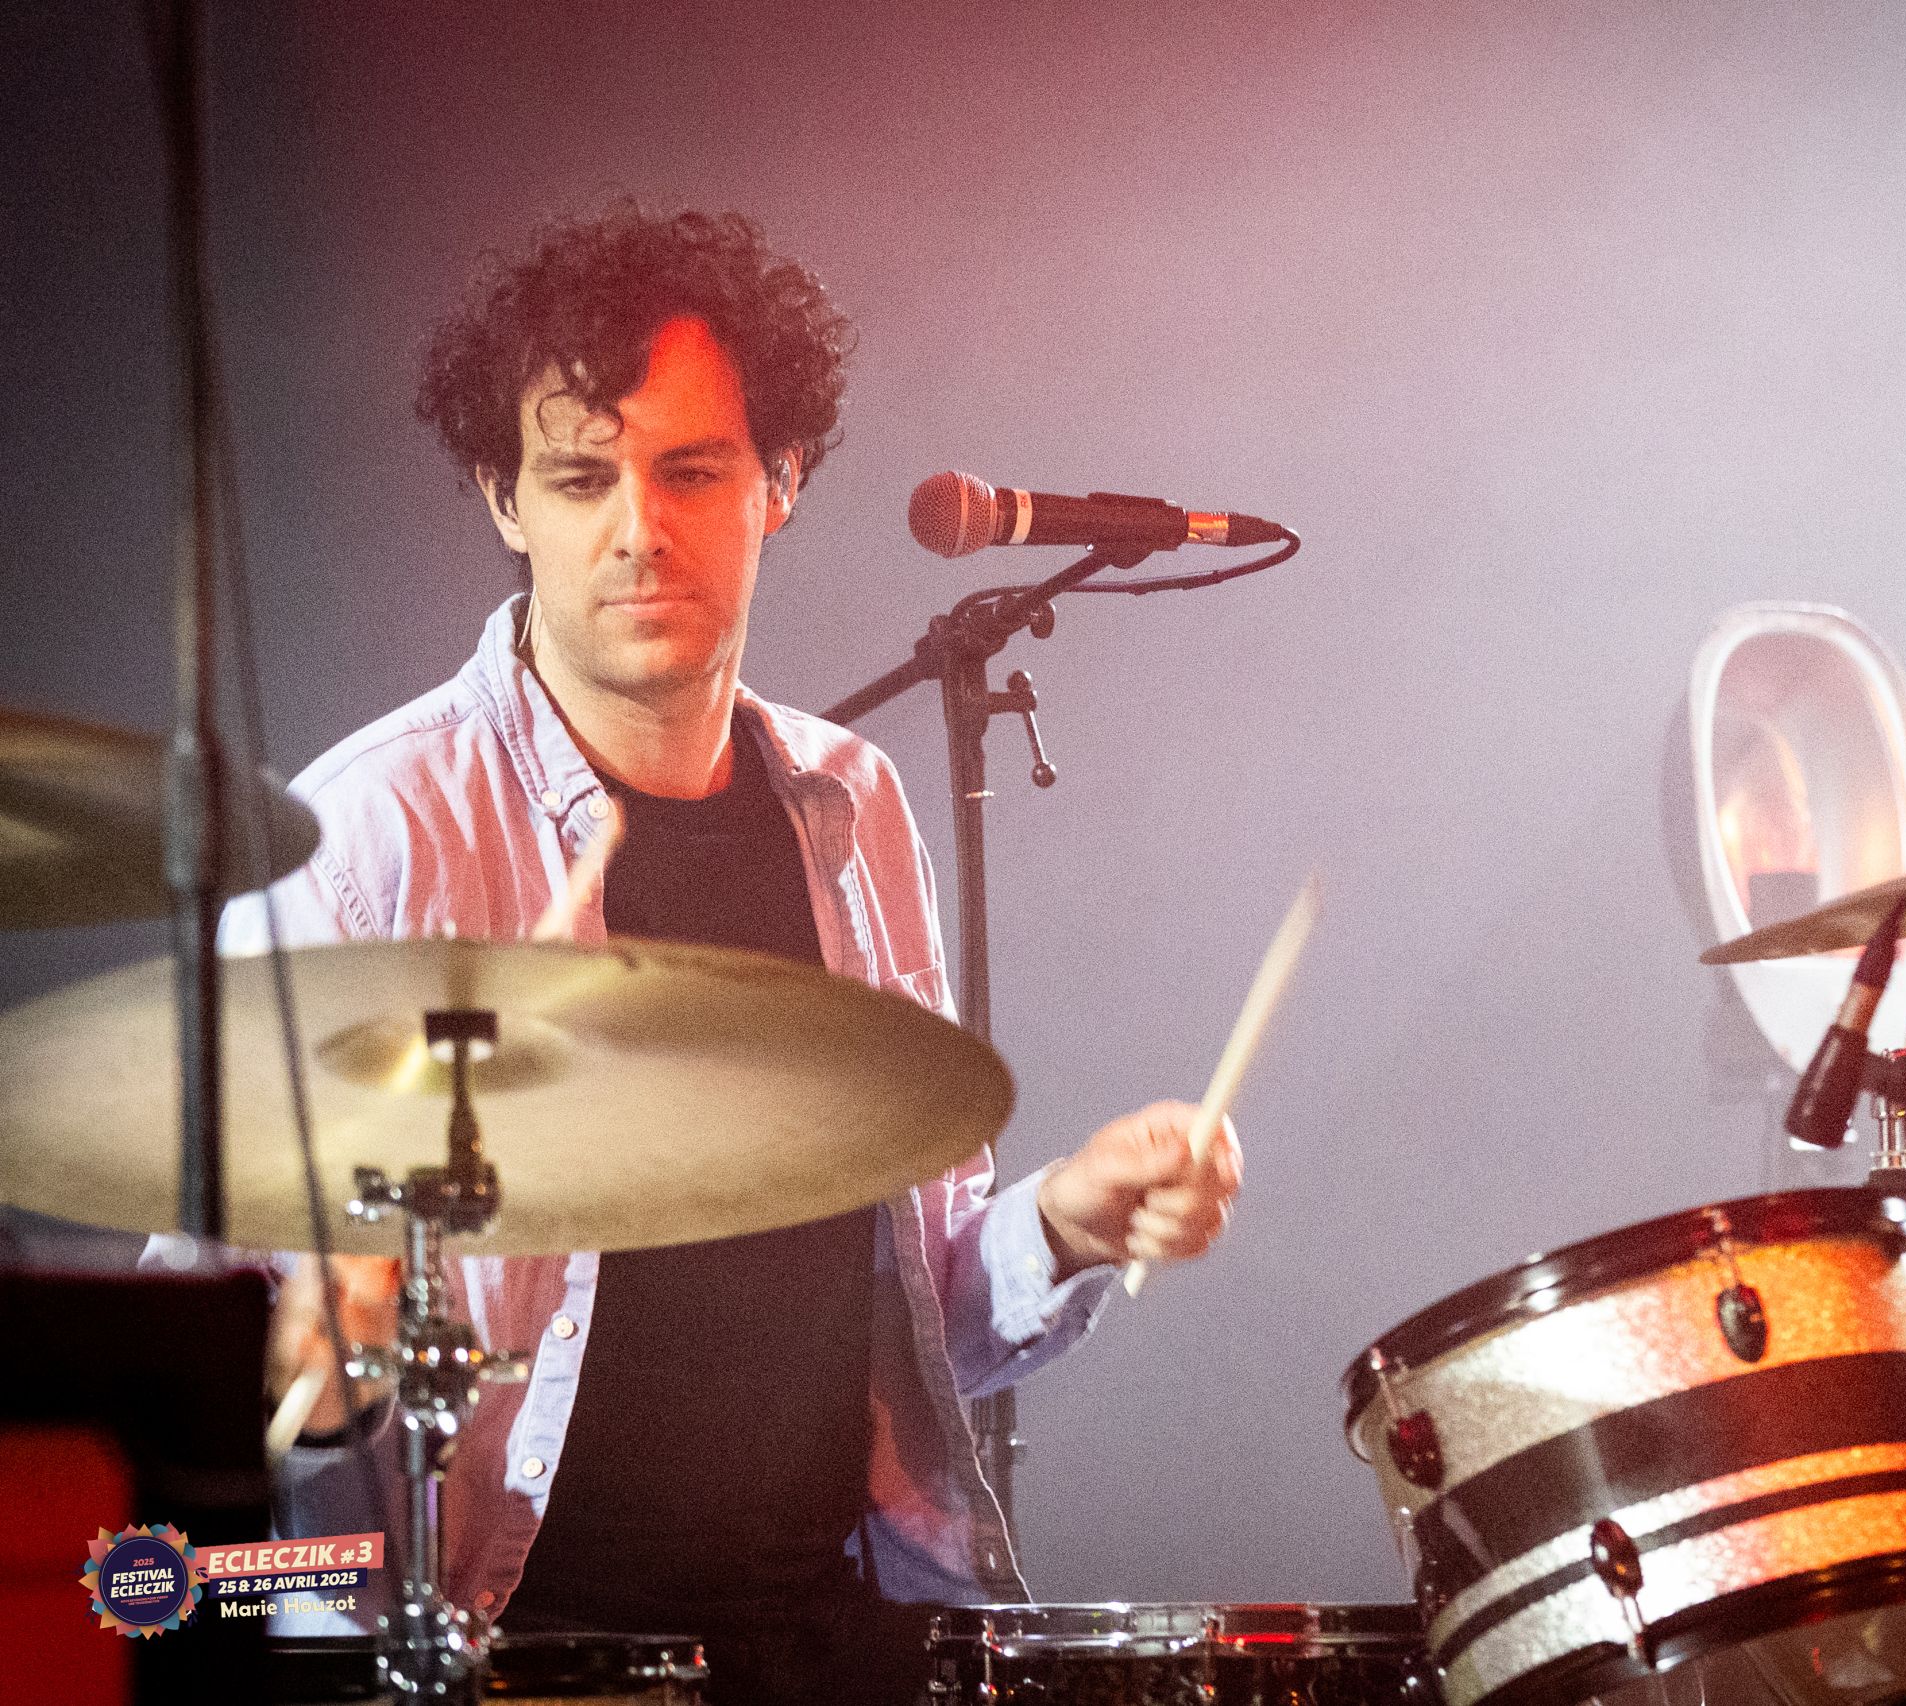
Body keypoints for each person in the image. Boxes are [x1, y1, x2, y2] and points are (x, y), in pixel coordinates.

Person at [211, 204, 1243, 1705]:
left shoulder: (852, 809)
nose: (638, 527)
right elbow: (214, 1396)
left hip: (822, 1641)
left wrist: (1067, 1226)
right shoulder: (365, 841)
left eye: (691, 470)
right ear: (505, 500)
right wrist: (333, 1345)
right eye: (581, 479)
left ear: (782, 480)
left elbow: (899, 1321)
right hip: (494, 1657)